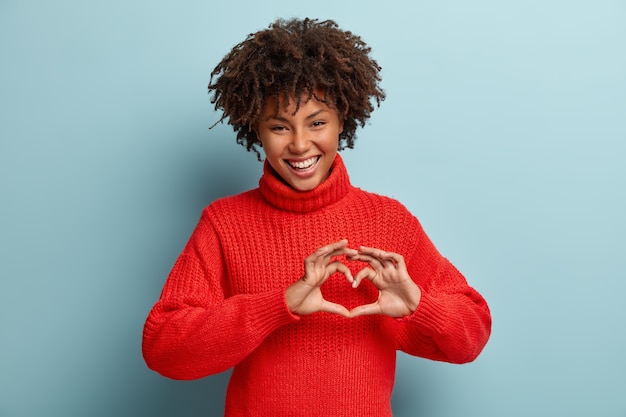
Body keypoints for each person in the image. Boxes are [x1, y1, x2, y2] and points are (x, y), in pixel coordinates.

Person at [142, 17, 491, 417]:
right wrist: (276, 306)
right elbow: (163, 347)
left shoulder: (389, 221)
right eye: (279, 126)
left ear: (343, 119)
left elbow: (471, 336)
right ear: (255, 128)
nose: (300, 144)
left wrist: (420, 305)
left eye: (317, 123)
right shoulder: (224, 223)